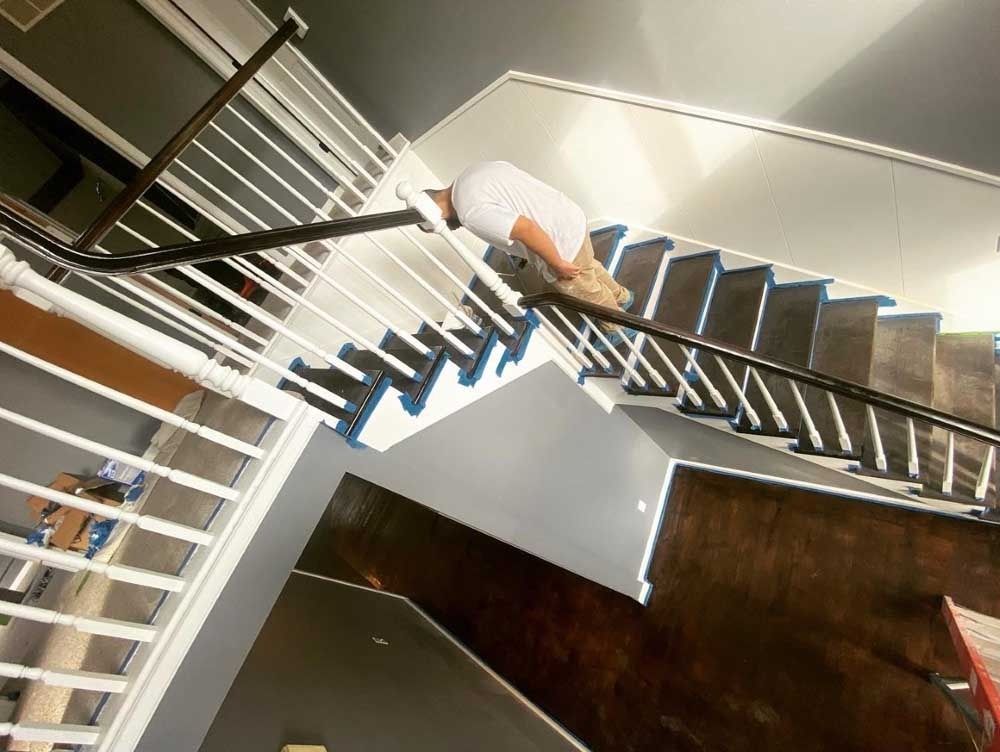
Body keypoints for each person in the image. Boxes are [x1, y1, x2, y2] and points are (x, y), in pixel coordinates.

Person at [423, 161, 636, 349]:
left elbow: (525, 228)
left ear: (435, 215)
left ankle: (617, 327)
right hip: (568, 216)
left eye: (437, 227)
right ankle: (621, 296)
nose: (450, 229)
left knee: (584, 290)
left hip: (557, 242)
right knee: (589, 267)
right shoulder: (472, 172)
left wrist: (556, 263)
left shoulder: (469, 212)